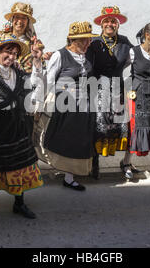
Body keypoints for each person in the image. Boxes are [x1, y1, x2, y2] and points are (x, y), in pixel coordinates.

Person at [0, 35, 44, 219]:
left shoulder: (19, 74)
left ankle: (19, 203)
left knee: (19, 162)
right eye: (8, 51)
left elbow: (34, 84)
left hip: (14, 122)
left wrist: (37, 61)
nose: (11, 56)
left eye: (15, 53)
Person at [34, 21, 98, 191]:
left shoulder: (86, 56)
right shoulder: (60, 55)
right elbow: (48, 81)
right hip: (63, 107)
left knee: (75, 143)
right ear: (72, 40)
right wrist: (40, 105)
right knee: (54, 139)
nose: (87, 44)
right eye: (83, 40)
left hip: (83, 108)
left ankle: (69, 178)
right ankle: (35, 171)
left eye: (88, 40)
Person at [85, 6, 133, 179]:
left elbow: (135, 58)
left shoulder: (125, 42)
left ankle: (125, 162)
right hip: (98, 90)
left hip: (118, 89)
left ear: (118, 24)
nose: (110, 24)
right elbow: (86, 64)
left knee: (117, 128)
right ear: (101, 24)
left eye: (113, 21)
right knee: (97, 127)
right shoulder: (94, 42)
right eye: (107, 21)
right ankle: (94, 163)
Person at [121, 23, 150, 179]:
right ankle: (126, 163)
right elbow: (119, 68)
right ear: (147, 35)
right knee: (134, 129)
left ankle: (128, 161)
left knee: (149, 126)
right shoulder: (133, 52)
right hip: (136, 95)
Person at [0, 2, 51, 73]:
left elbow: (39, 70)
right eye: (17, 17)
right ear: (12, 19)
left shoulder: (32, 46)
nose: (20, 21)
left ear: (28, 22)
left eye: (24, 18)